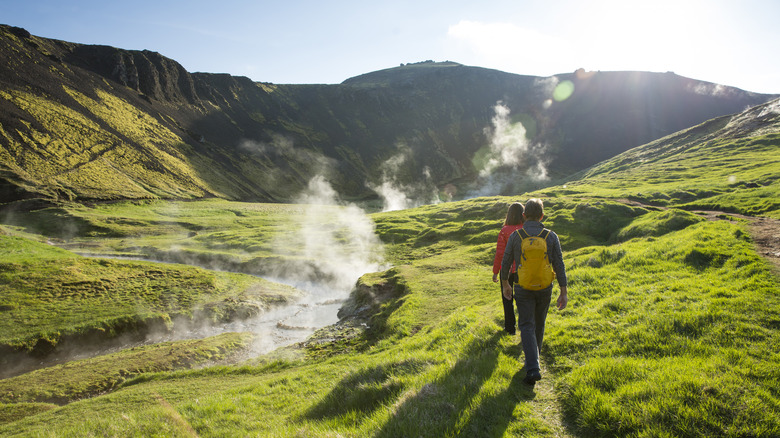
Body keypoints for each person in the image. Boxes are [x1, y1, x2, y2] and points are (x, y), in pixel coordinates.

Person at [501, 198, 568, 386]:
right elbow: (559, 265)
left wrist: (506, 284)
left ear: (523, 216)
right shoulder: (551, 236)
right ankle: (534, 362)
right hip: (545, 287)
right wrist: (563, 290)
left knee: (526, 325)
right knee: (539, 324)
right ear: (542, 215)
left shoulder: (516, 236)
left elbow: (506, 262)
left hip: (522, 287)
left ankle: (533, 367)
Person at [492, 202, 525, 335]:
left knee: (507, 299)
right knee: (523, 300)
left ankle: (510, 328)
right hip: (523, 269)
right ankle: (525, 327)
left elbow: (500, 253)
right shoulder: (525, 229)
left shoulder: (504, 231)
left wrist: (495, 272)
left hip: (507, 270)